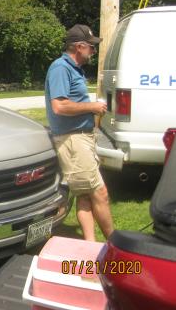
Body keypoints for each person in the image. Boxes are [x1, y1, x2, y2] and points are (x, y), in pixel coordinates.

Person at [45, 24, 114, 241]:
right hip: (72, 140)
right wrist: (92, 107)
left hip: (81, 137)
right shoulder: (60, 68)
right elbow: (59, 106)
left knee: (85, 195)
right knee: (100, 193)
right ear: (79, 46)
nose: (93, 51)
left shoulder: (74, 68)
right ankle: (116, 246)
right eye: (91, 47)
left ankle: (90, 246)